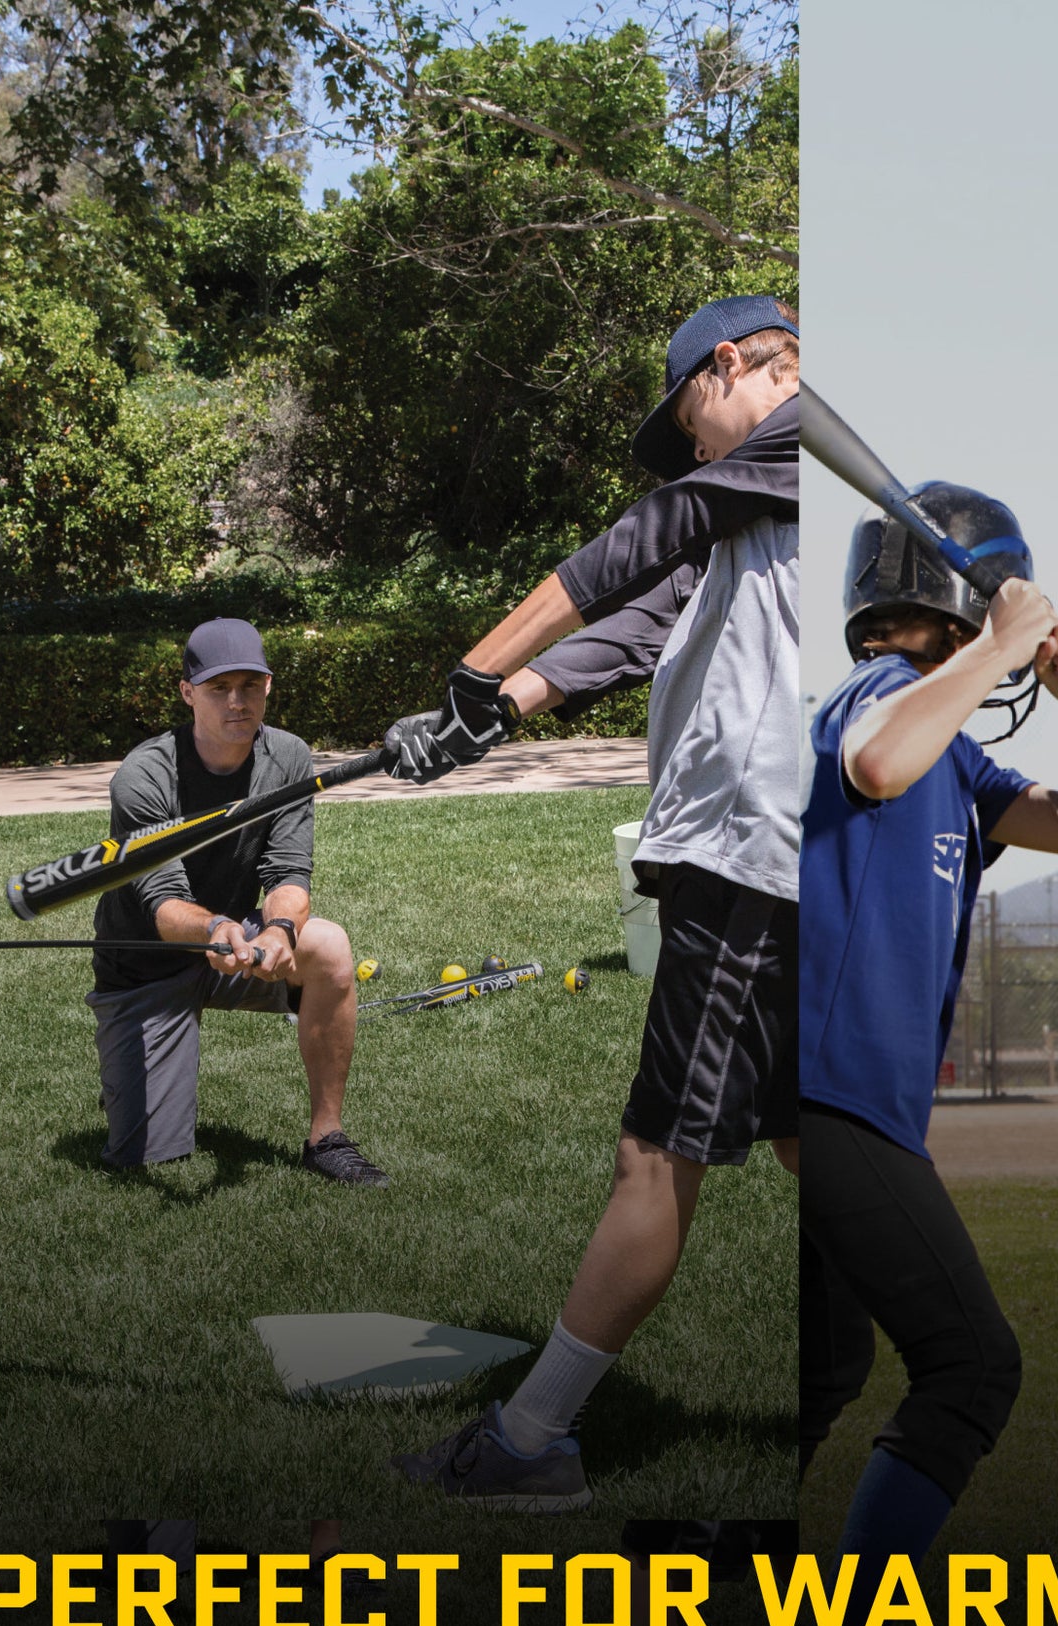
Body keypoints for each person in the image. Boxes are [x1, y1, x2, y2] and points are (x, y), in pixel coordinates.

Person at [385, 295, 800, 1508]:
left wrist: (467, 666)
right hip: (764, 863)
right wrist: (482, 717)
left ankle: (530, 1440)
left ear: (733, 366)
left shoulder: (803, 435)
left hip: (748, 863)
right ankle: (944, 1364)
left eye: (693, 423)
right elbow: (629, 626)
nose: (701, 450)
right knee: (798, 1135)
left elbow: (647, 535)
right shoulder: (754, 514)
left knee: (656, 1154)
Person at [797, 487, 1058, 1626]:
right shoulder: (879, 699)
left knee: (822, 1370)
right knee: (970, 1364)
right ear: (961, 604)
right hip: (825, 1095)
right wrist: (1002, 639)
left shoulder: (960, 753)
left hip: (853, 1107)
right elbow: (876, 761)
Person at [88, 617, 386, 1186]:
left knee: (327, 944)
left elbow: (289, 871)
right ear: (187, 693)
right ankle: (133, 1069)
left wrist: (277, 932)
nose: (236, 701)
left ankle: (327, 1137)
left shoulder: (288, 757)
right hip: (145, 967)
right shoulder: (143, 776)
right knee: (147, 1158)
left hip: (237, 946)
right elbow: (164, 900)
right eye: (218, 688)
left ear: (268, 686)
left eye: (250, 685)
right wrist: (219, 929)